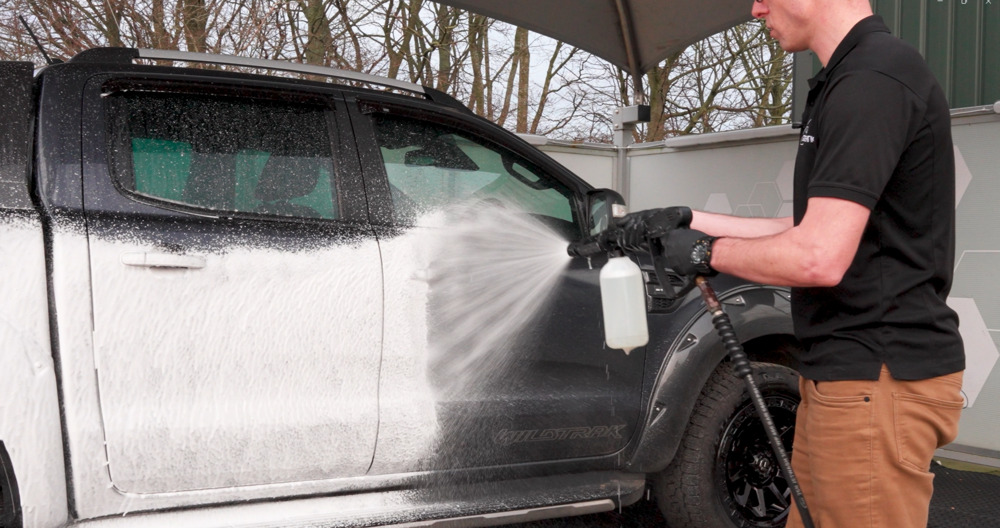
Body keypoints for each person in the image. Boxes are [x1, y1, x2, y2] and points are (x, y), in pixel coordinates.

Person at [623, 1, 966, 527]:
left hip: (875, 380)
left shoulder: (872, 80)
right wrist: (691, 221)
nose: (756, 9)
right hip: (848, 380)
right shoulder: (853, 76)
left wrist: (703, 254)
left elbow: (818, 257)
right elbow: (812, 227)